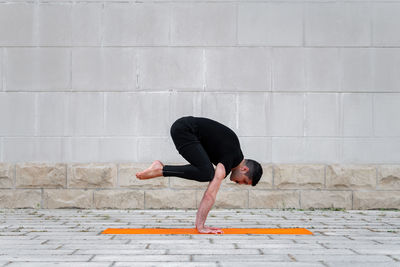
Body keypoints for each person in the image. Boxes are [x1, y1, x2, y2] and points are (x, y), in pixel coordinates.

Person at [136, 116, 263, 234]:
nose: (240, 184)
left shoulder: (231, 156)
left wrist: (199, 225)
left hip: (185, 129)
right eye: (245, 181)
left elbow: (210, 192)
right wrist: (201, 227)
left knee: (207, 172)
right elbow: (210, 195)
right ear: (244, 169)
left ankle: (161, 168)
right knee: (207, 173)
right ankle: (160, 169)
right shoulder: (229, 159)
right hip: (184, 129)